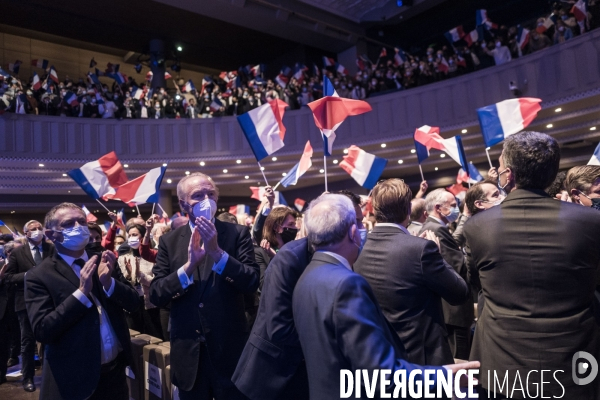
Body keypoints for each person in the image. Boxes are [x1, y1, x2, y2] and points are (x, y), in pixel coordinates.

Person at [292, 194, 478, 399]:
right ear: (353, 233)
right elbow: (382, 375)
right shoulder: (347, 284)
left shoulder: (306, 277)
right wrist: (444, 374)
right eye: (360, 222)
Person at [464, 131, 600, 398]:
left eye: (502, 166)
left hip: (503, 368)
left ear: (509, 175)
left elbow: (477, 284)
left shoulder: (477, 226)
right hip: (575, 363)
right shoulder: (591, 222)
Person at [149, 172, 259, 400]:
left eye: (211, 194)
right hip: (189, 355)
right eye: (198, 196)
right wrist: (189, 266)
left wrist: (218, 254)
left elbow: (251, 281)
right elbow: (157, 293)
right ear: (183, 204)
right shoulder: (170, 241)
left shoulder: (237, 233)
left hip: (229, 352)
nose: (206, 200)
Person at [25, 203, 140, 400]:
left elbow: (135, 304)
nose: (78, 227)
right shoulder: (39, 275)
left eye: (81, 221)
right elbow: (43, 329)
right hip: (75, 380)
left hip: (115, 373)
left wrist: (109, 283)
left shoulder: (103, 260)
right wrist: (80, 294)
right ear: (51, 235)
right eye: (69, 223)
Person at [354, 179, 469, 366]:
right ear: (408, 209)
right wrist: (438, 256)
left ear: (373, 209)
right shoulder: (422, 249)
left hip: (381, 355)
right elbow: (460, 294)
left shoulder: (357, 248)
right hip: (423, 359)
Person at [233, 231, 312, 400]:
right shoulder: (289, 256)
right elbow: (279, 327)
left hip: (303, 371)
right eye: (289, 225)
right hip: (271, 370)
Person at [420, 189, 473, 360]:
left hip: (448, 310)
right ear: (438, 208)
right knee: (460, 361)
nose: (456, 208)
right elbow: (456, 266)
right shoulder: (436, 229)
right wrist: (472, 254)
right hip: (453, 311)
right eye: (452, 205)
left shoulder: (432, 226)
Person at [5, 220, 55, 392]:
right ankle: (28, 378)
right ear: (26, 234)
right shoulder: (18, 252)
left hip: (50, 301)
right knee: (27, 342)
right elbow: (9, 277)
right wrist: (29, 275)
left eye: (39, 228)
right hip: (25, 303)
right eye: (33, 229)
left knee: (51, 339)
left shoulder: (51, 249)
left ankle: (52, 376)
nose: (37, 231)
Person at [117, 224, 162, 338]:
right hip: (134, 304)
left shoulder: (152, 257)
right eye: (130, 235)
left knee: (154, 336)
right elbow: (126, 283)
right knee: (136, 337)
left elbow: (156, 283)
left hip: (151, 303)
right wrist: (130, 276)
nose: (132, 237)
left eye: (135, 234)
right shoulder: (124, 258)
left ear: (142, 237)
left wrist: (139, 274)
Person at [256, 206, 298, 290]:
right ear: (276, 228)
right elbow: (263, 285)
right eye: (290, 224)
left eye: (294, 224)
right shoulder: (260, 253)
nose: (295, 228)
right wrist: (275, 258)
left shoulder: (297, 249)